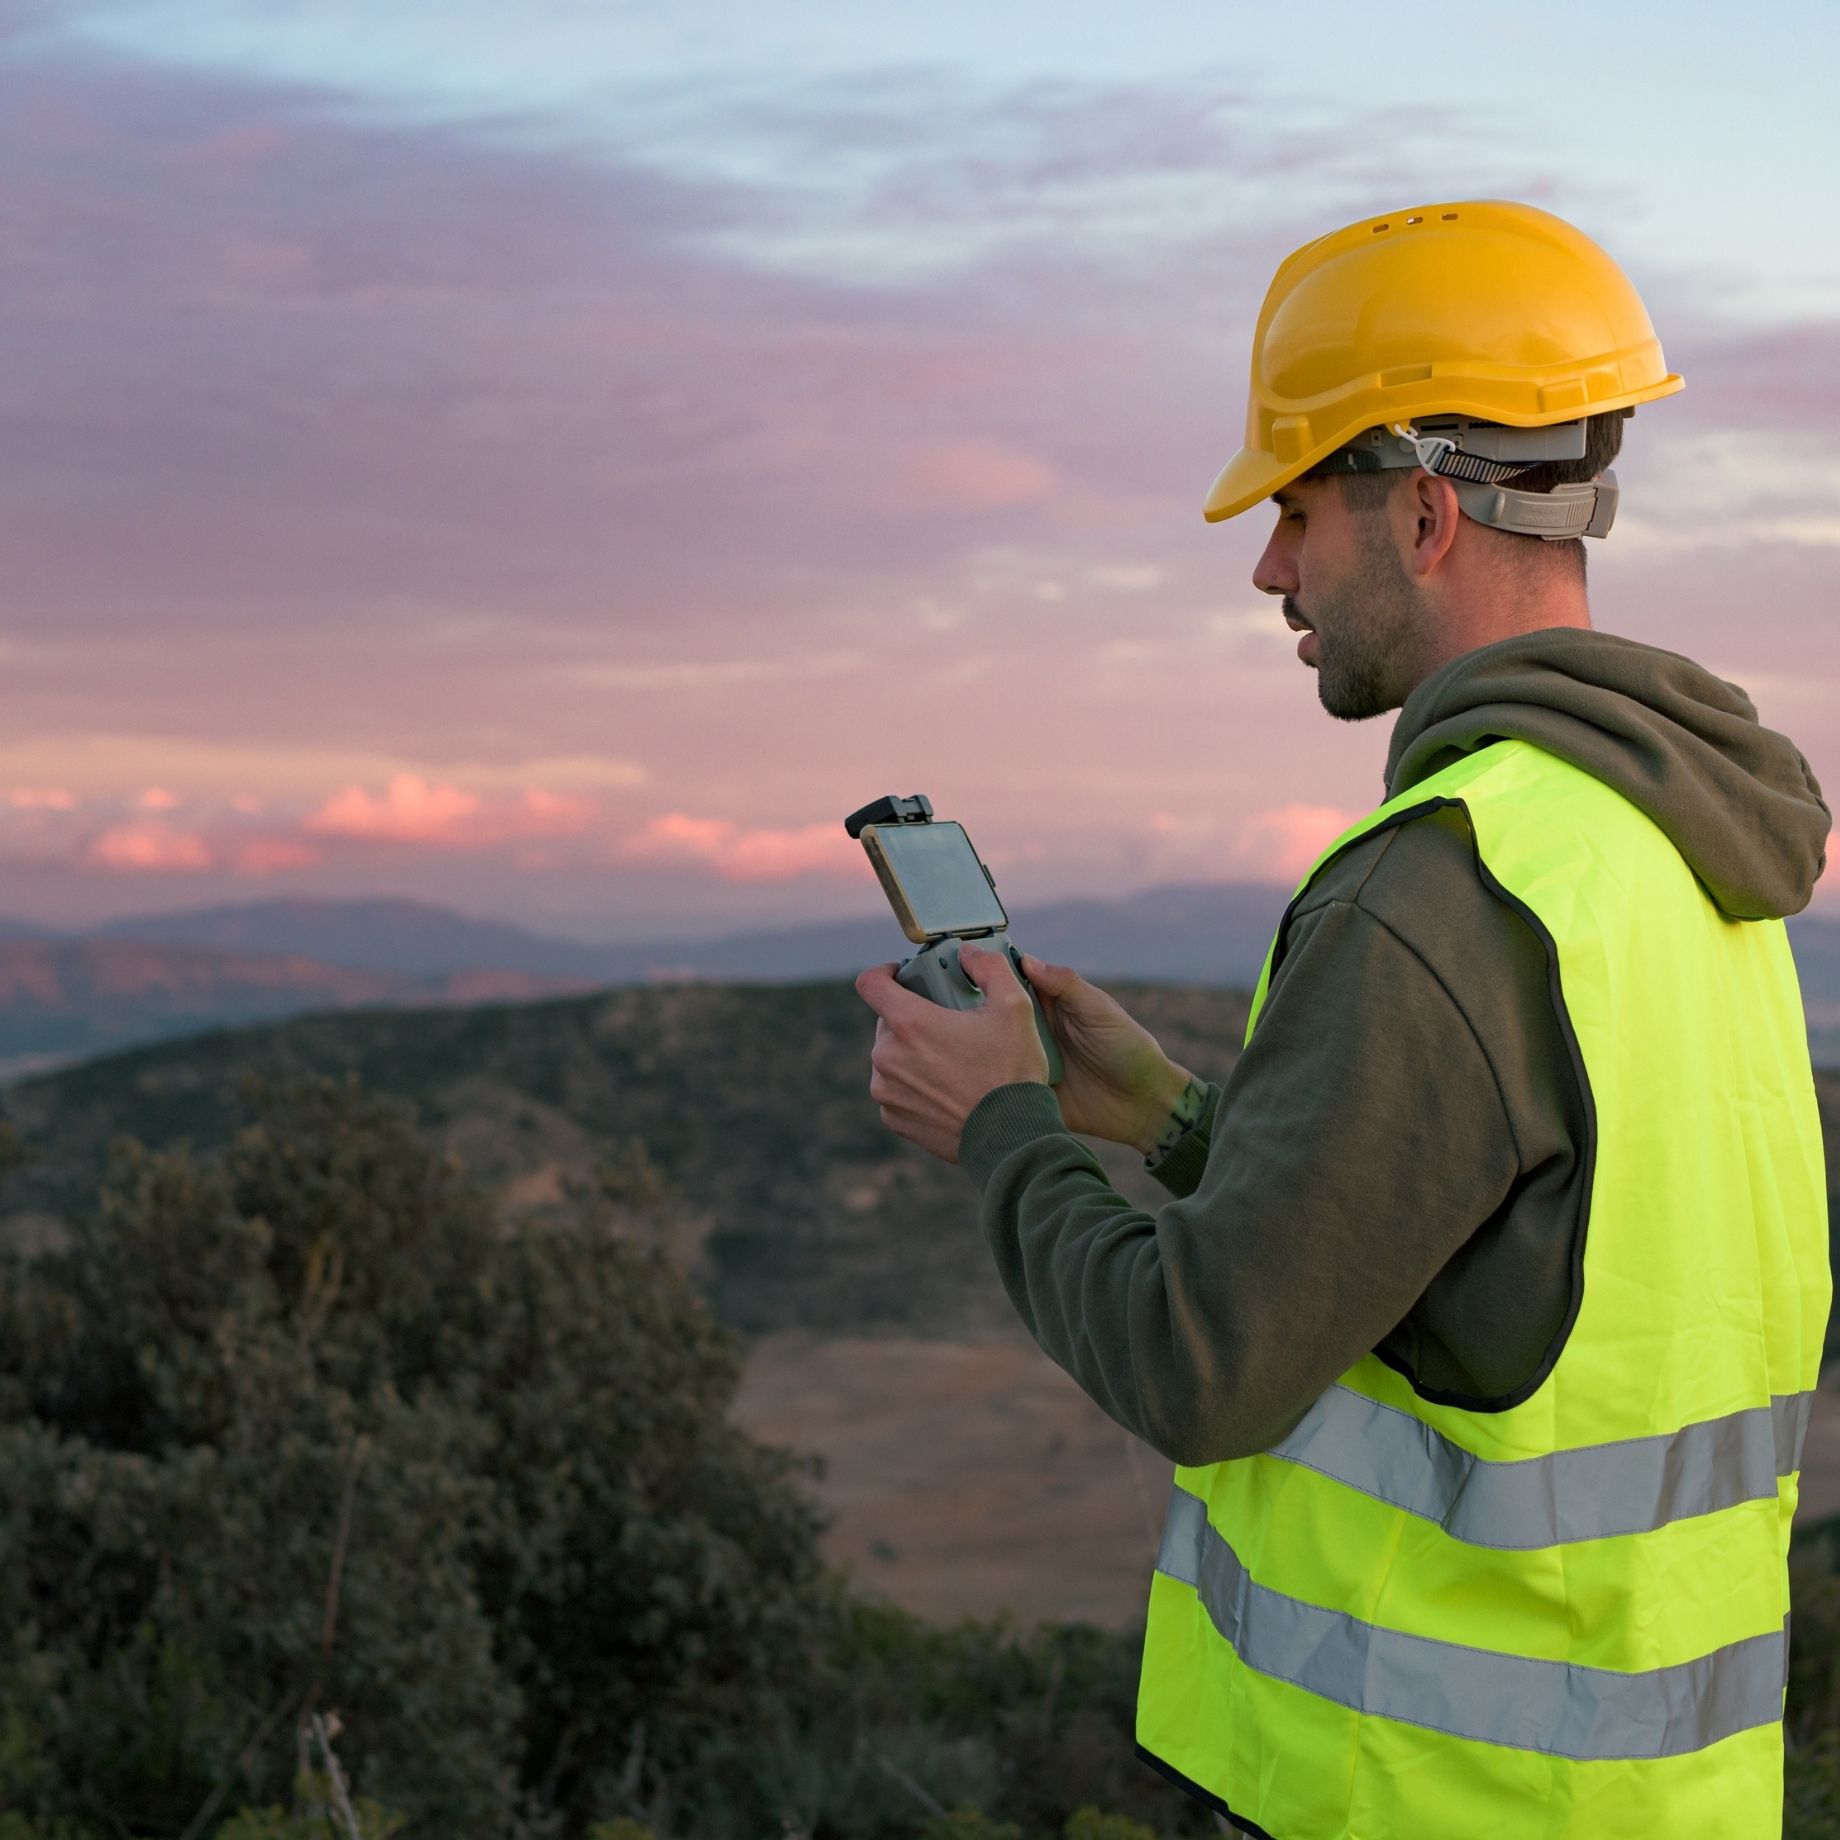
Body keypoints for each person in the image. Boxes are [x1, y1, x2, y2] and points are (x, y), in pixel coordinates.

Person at [854, 199, 1832, 1837]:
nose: (1267, 567)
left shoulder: (1435, 887)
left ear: (1427, 513)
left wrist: (1002, 1125)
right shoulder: (1667, 851)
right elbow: (1503, 1271)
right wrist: (1170, 1117)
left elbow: (1200, 1364)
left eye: (1299, 509)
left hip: (1422, 1800)